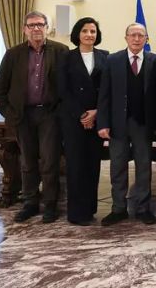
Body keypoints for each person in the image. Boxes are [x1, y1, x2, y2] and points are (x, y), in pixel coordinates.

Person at [0, 11, 69, 223]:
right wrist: (10, 114)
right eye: (31, 25)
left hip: (50, 115)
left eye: (40, 24)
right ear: (24, 29)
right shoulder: (13, 54)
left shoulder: (61, 51)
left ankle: (50, 204)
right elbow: (0, 90)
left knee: (50, 161)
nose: (36, 28)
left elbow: (68, 85)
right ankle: (30, 203)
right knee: (27, 162)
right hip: (23, 115)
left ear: (47, 28)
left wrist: (60, 113)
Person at [97, 23, 156, 226]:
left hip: (143, 124)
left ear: (146, 39)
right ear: (126, 38)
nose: (136, 39)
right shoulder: (112, 60)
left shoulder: (154, 61)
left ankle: (143, 208)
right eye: (133, 35)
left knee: (144, 167)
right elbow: (104, 95)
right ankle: (118, 208)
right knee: (117, 166)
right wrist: (103, 123)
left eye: (141, 35)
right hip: (117, 124)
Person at [57, 17, 109, 225]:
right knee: (76, 166)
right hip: (73, 119)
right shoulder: (66, 57)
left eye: (93, 31)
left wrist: (96, 113)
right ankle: (76, 213)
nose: (89, 35)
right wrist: (81, 114)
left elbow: (107, 89)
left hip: (96, 118)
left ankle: (90, 209)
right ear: (77, 34)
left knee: (93, 165)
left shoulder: (105, 56)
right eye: (85, 31)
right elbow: (62, 90)